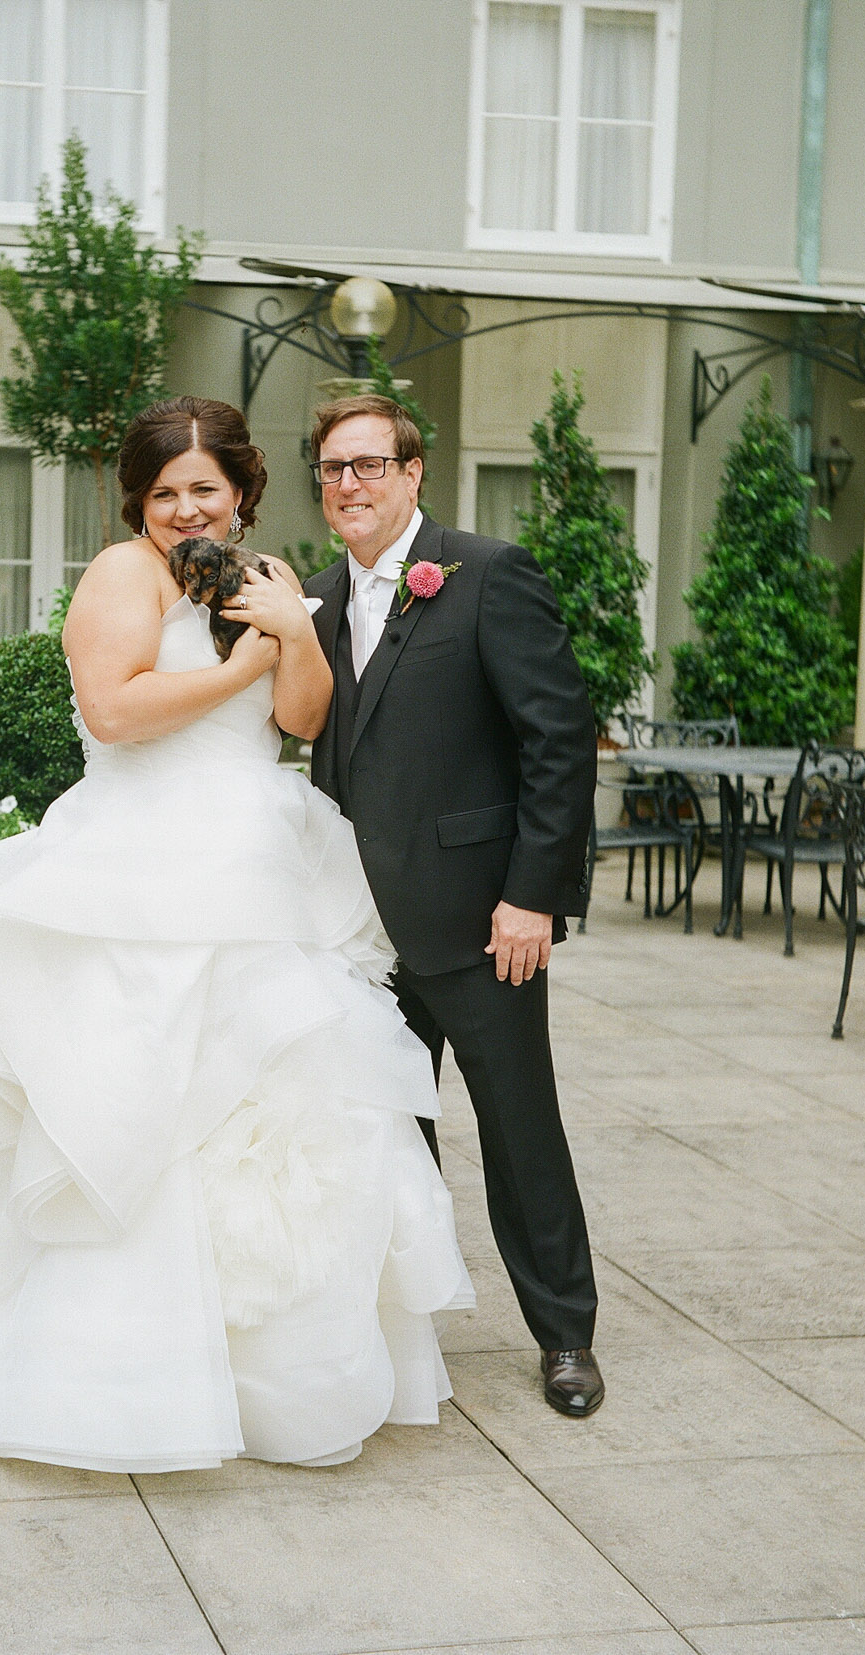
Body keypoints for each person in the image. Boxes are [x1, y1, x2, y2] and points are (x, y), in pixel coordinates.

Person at [0, 395, 474, 1471]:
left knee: (282, 1087)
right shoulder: (124, 575)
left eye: (205, 489)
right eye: (164, 493)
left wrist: (290, 633)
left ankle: (262, 1369)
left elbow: (303, 717)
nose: (186, 511)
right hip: (145, 862)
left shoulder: (268, 577)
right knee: (135, 1102)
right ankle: (106, 1371)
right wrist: (246, 663)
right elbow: (113, 709)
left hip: (257, 863)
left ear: (242, 490)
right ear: (137, 503)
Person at [302, 394, 605, 1418]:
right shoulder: (308, 600)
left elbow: (558, 742)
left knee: (521, 1130)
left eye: (370, 464)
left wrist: (531, 895)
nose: (351, 483)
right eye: (334, 468)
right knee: (387, 1137)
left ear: (415, 469)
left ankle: (565, 1331)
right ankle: (403, 1326)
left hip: (482, 923)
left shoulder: (487, 576)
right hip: (359, 936)